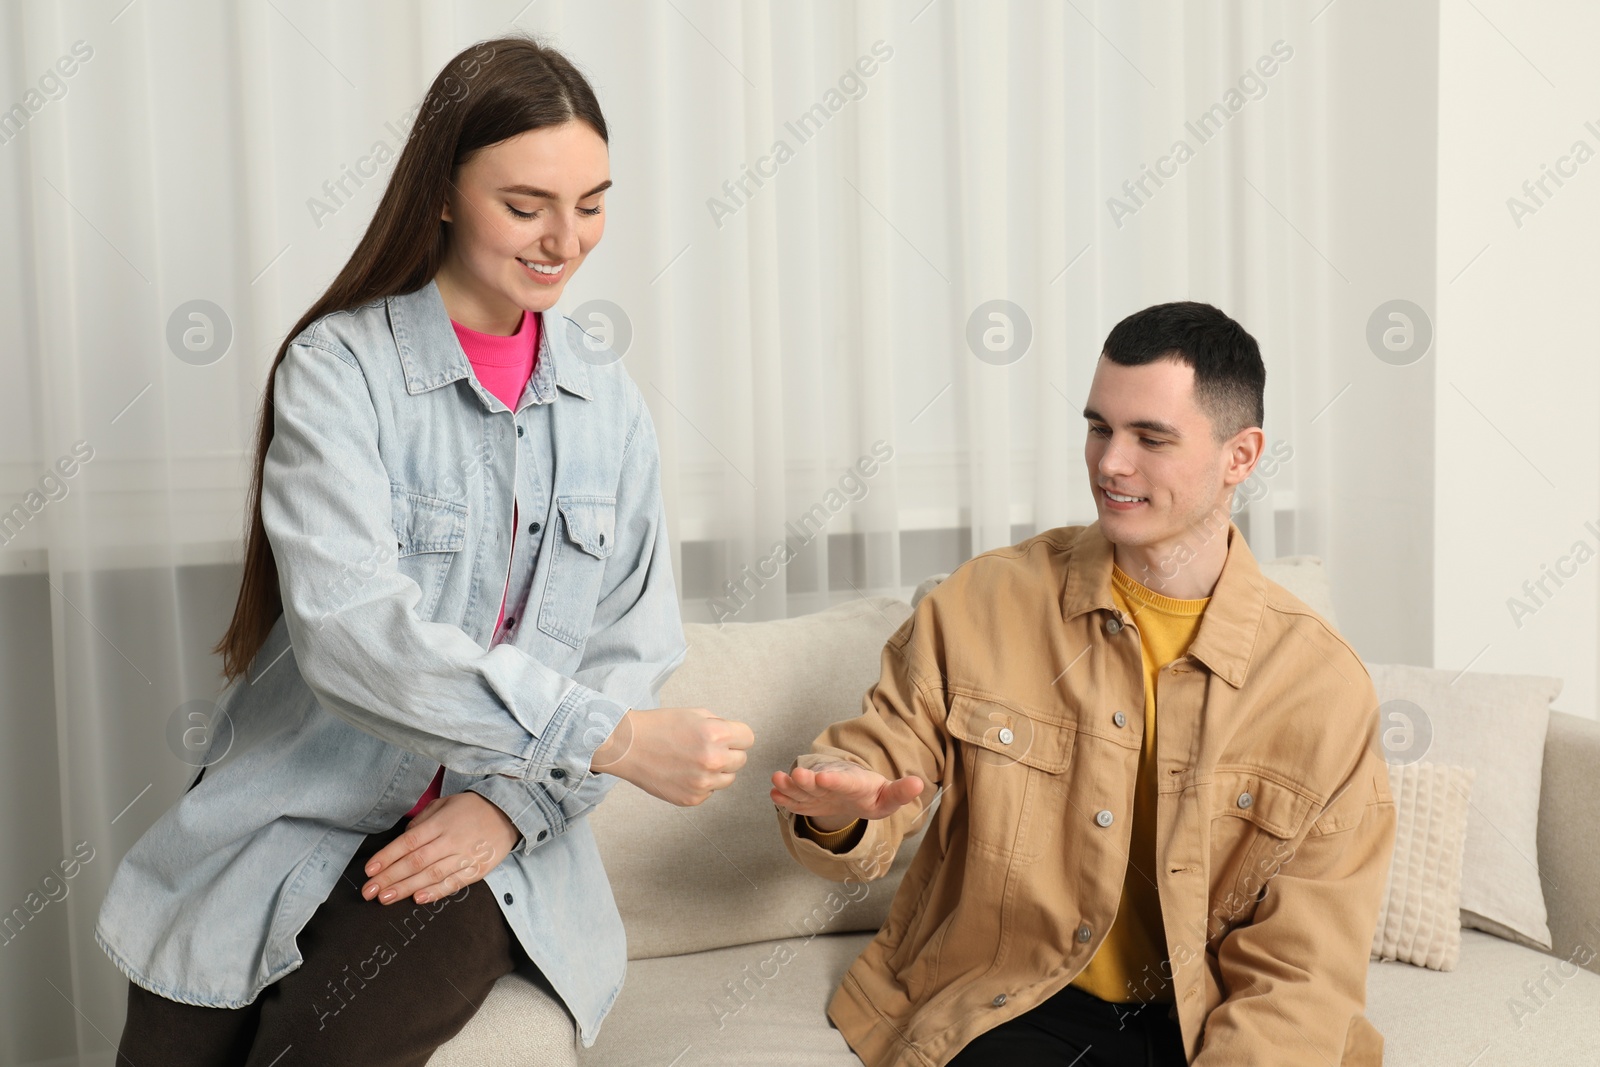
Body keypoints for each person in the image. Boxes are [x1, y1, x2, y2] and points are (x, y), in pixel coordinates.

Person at [98, 36, 753, 1066]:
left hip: (488, 844)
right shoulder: (338, 370)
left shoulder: (608, 404)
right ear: (443, 192)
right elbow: (356, 633)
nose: (564, 239)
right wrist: (612, 739)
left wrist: (507, 804)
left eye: (591, 203)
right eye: (526, 203)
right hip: (288, 803)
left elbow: (632, 640)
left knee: (318, 1043)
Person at [770, 301, 1398, 1066]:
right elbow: (879, 756)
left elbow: (1303, 970)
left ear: (1241, 455)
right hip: (1015, 1000)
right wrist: (843, 810)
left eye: (1150, 438)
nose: (1110, 463)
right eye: (1100, 427)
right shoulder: (984, 601)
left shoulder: (1322, 685)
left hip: (1207, 1022)